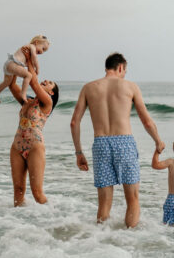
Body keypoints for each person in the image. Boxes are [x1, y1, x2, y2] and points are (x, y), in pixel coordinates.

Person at [70, 52, 164, 228]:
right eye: (125, 71)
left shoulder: (89, 88)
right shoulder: (130, 87)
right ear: (120, 67)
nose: (125, 74)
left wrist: (79, 153)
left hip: (100, 144)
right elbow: (147, 121)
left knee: (104, 201)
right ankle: (129, 240)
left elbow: (74, 122)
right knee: (133, 198)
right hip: (124, 143)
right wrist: (158, 141)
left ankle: (99, 240)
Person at [8, 70, 59, 206]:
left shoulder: (47, 103)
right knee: (18, 191)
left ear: (51, 93)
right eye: (46, 80)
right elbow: (12, 85)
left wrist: (29, 60)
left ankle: (53, 218)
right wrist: (14, 67)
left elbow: (34, 83)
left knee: (37, 192)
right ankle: (17, 222)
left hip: (34, 147)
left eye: (50, 83)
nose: (46, 81)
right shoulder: (27, 100)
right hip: (17, 146)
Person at [0, 35, 50, 103]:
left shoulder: (28, 48)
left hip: (9, 64)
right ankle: (23, 93)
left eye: (44, 51)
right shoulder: (32, 46)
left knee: (7, 82)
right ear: (36, 42)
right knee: (28, 76)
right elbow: (35, 58)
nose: (42, 52)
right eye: (43, 48)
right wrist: (37, 68)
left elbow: (28, 62)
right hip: (13, 64)